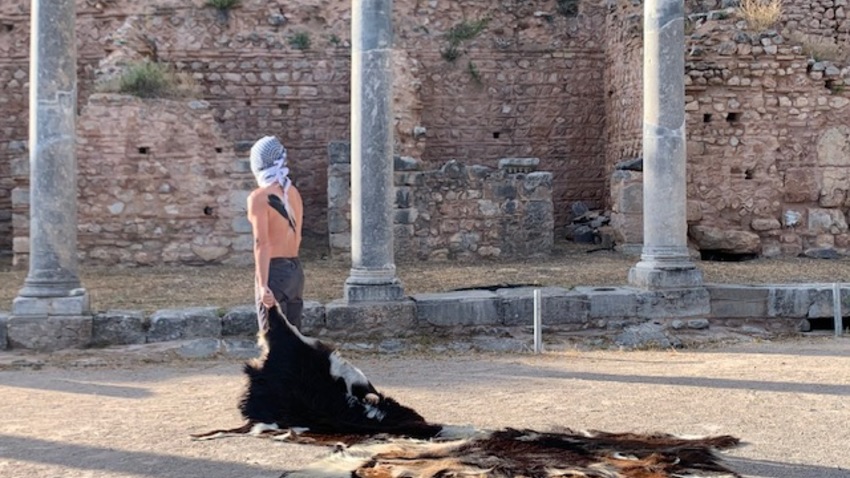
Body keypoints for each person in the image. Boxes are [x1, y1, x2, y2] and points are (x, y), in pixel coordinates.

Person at [247, 135, 305, 332]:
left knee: (274, 342)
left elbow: (261, 243)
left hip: (274, 272)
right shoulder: (293, 193)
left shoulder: (259, 198)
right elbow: (298, 236)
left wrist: (263, 285)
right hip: (295, 271)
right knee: (294, 340)